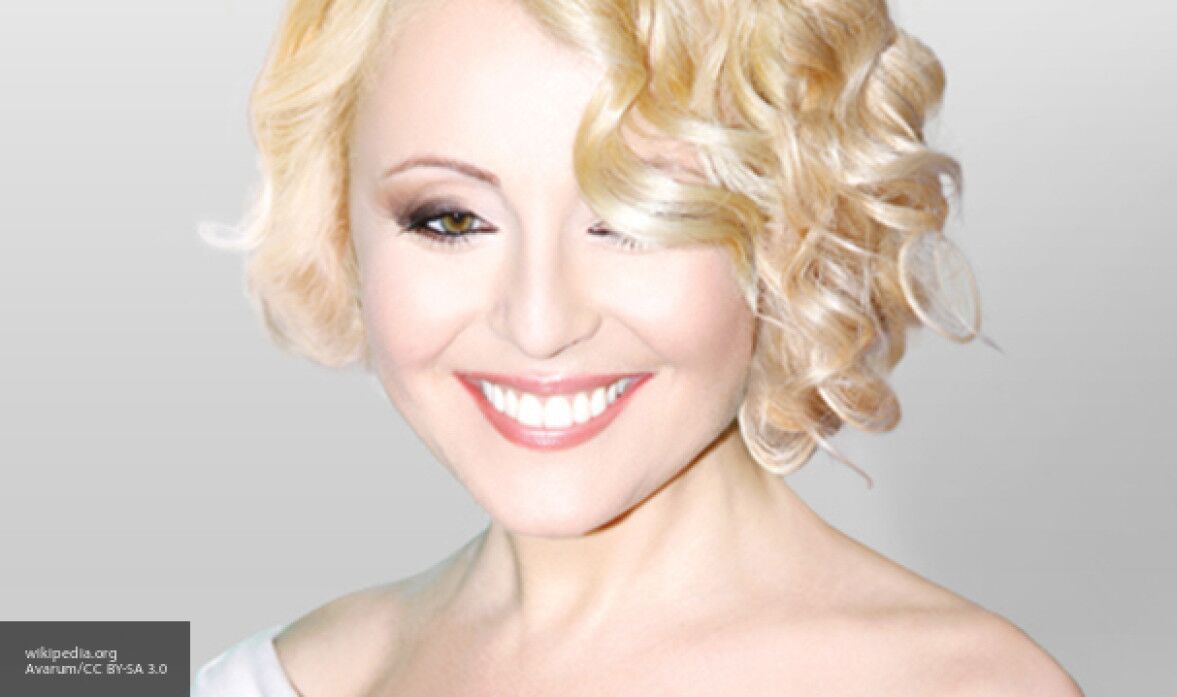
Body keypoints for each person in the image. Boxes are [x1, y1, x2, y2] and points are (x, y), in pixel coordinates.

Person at [193, 0, 1082, 693]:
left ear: (791, 225)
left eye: (634, 216)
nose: (539, 322)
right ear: (339, 223)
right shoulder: (268, 678)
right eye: (452, 218)